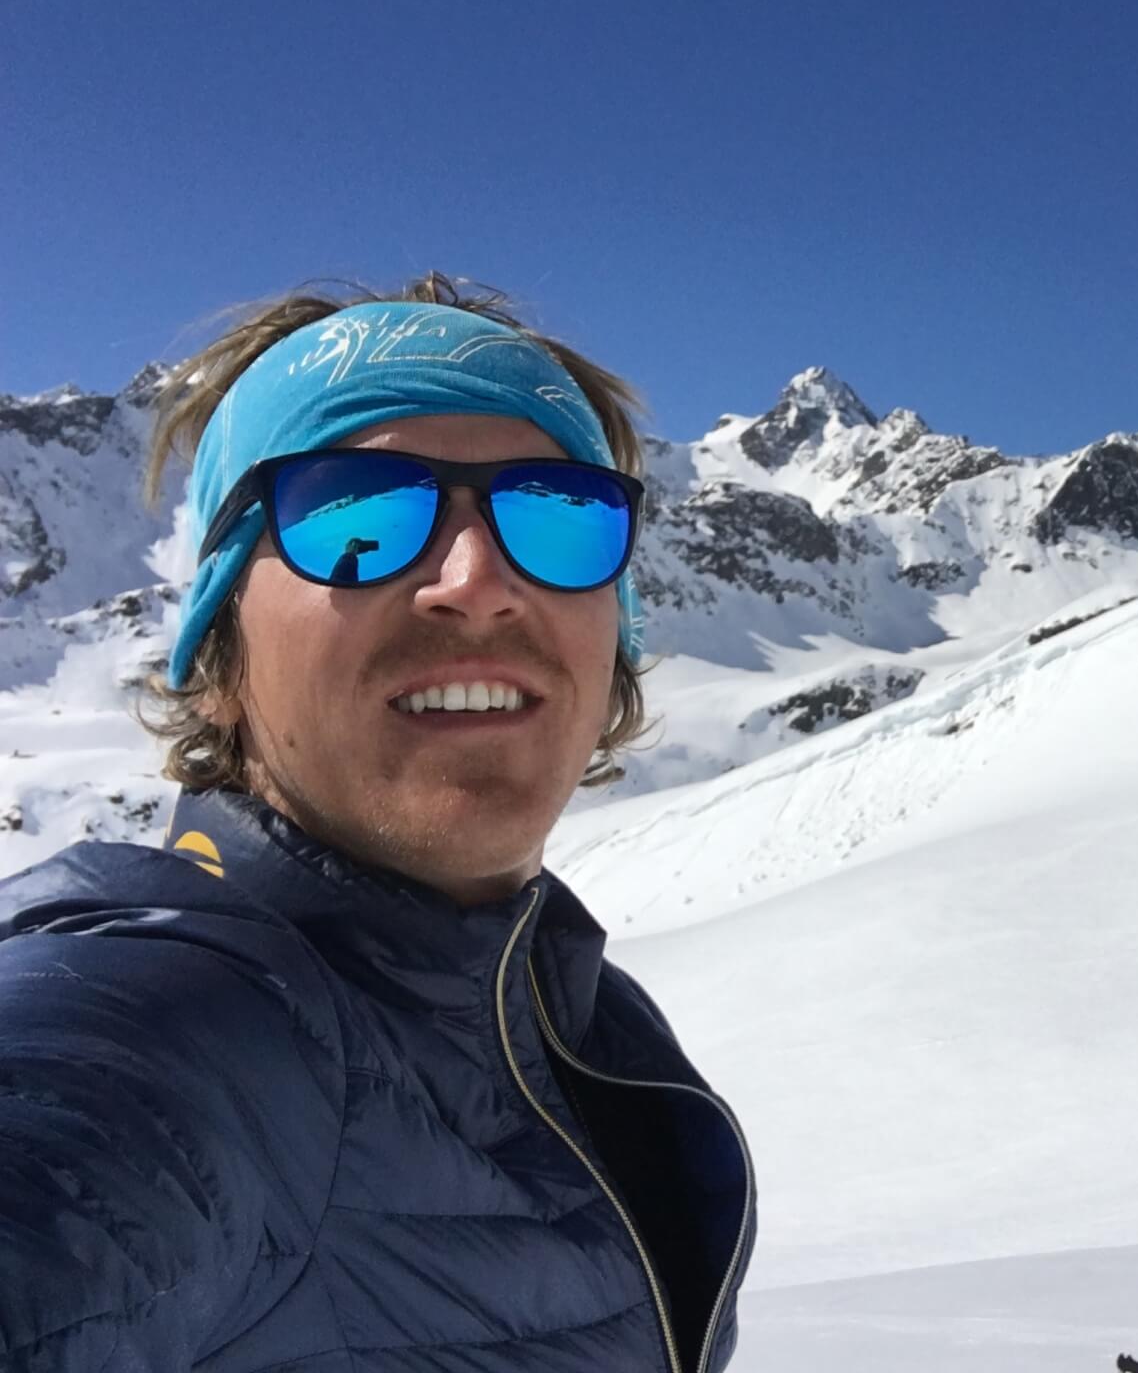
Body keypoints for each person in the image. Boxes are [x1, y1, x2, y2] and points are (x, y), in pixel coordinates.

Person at [0, 276, 755, 1372]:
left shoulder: (587, 1029)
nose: (476, 579)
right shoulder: (177, 1019)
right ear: (219, 656)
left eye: (556, 515)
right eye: (355, 515)